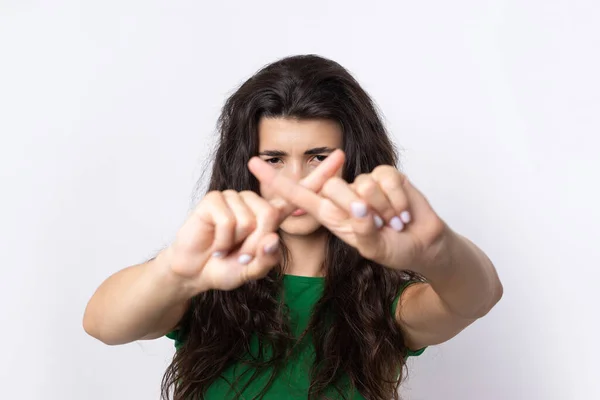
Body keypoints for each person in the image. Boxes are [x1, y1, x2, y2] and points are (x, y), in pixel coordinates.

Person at [83, 54, 503, 400]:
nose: (297, 181)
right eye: (274, 159)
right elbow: (102, 324)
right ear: (246, 165)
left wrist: (436, 249)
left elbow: (479, 296)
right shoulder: (206, 279)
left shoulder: (384, 303)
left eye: (319, 158)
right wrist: (173, 271)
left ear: (353, 163)